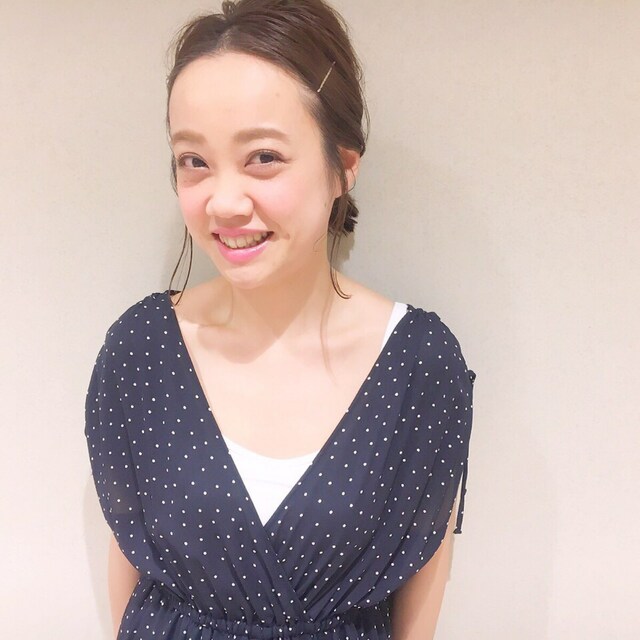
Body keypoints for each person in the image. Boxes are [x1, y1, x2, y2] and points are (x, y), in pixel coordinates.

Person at [84, 1, 476, 638]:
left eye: (263, 156)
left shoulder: (417, 366)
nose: (224, 201)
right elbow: (129, 561)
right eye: (193, 160)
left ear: (343, 166)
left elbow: (422, 581)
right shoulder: (142, 351)